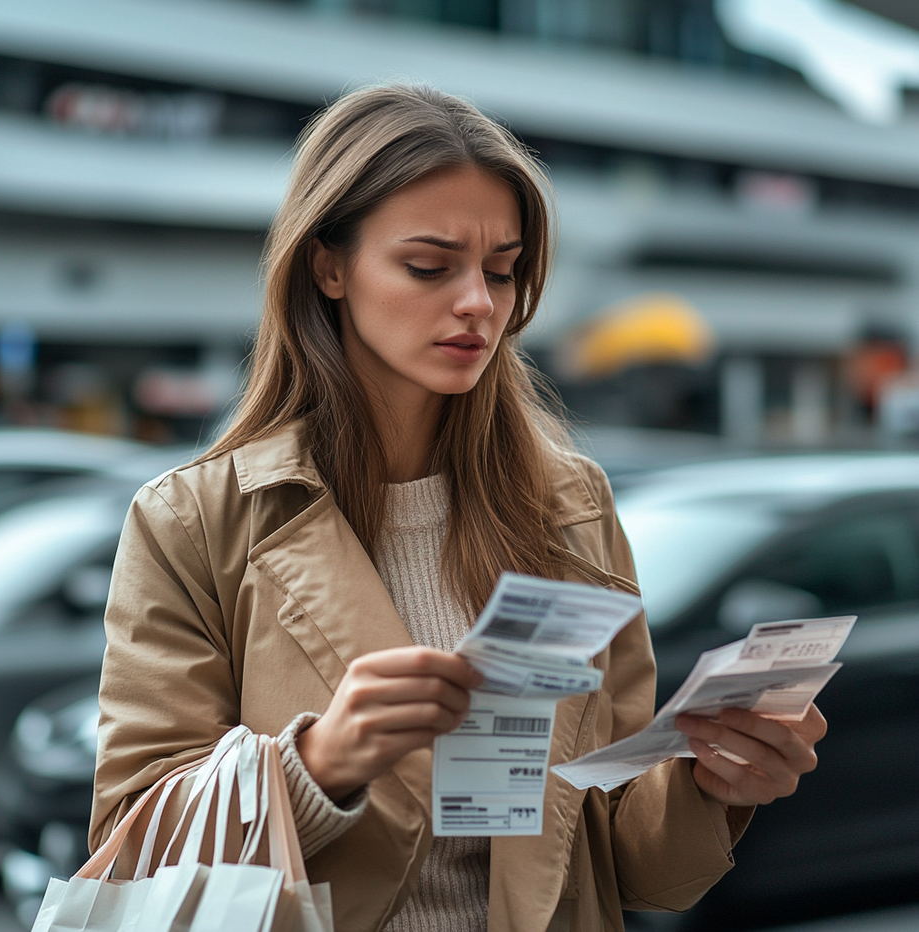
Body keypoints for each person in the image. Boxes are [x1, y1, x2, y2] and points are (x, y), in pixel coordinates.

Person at [90, 84, 826, 932]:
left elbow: (628, 863)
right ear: (329, 265)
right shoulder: (193, 521)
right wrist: (317, 763)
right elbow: (130, 840)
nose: (478, 302)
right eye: (429, 267)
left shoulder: (570, 503)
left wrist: (713, 783)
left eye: (503, 271)